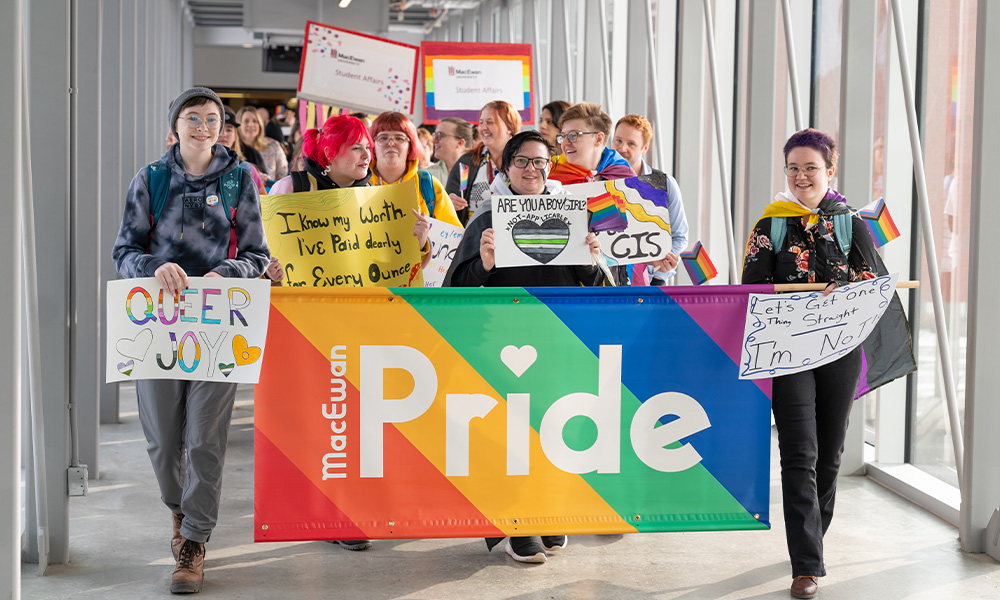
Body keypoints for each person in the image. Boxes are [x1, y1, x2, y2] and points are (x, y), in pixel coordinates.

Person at [111, 87, 270, 594]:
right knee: (162, 440)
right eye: (192, 117)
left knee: (204, 437)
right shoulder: (151, 179)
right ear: (174, 128)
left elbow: (258, 255)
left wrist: (228, 271)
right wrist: (157, 268)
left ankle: (195, 541)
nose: (203, 125)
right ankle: (178, 512)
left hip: (219, 323)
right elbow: (124, 251)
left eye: (211, 118)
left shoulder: (240, 179)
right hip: (157, 323)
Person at [448, 131, 606, 563]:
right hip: (500, 348)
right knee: (508, 439)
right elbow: (453, 291)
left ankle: (546, 515)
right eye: (522, 161)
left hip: (557, 344)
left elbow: (597, 290)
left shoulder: (574, 218)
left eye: (540, 162)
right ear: (506, 167)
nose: (532, 170)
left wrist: (591, 262)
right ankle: (516, 525)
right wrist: (482, 265)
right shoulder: (485, 220)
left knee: (552, 436)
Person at [741, 129, 881, 600]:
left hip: (840, 349)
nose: (802, 177)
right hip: (788, 350)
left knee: (831, 451)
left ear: (830, 170)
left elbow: (874, 282)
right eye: (794, 168)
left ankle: (812, 536)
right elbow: (751, 289)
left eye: (811, 168)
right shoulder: (770, 225)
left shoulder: (850, 222)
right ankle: (807, 564)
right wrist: (795, 295)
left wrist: (846, 290)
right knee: (799, 452)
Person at [611, 114, 689, 284]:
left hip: (652, 281)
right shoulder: (601, 181)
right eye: (618, 141)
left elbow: (680, 235)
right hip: (609, 282)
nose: (622, 148)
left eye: (631, 143)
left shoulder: (664, 184)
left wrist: (657, 270)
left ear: (644, 148)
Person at [367, 111, 461, 228]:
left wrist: (426, 243)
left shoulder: (429, 185)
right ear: (372, 145)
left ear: (411, 146)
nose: (391, 143)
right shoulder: (356, 185)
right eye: (383, 138)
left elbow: (454, 240)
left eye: (399, 138)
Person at [445, 100, 521, 225]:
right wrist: (448, 203)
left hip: (512, 237)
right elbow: (447, 208)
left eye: (490, 122)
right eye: (481, 123)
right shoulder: (466, 163)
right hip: (474, 239)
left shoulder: (524, 162)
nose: (483, 128)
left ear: (509, 127)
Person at [549, 102, 635, 185]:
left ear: (598, 139)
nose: (565, 143)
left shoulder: (624, 176)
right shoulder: (551, 172)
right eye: (563, 136)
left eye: (573, 135)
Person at [236, 106, 289, 181]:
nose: (251, 125)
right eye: (246, 121)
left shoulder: (273, 146)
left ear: (260, 124)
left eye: (255, 121)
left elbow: (283, 177)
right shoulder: (233, 149)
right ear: (238, 124)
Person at [432, 117, 473, 210]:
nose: (434, 140)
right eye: (434, 135)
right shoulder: (426, 175)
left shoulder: (479, 173)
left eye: (439, 136)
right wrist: (443, 203)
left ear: (460, 142)